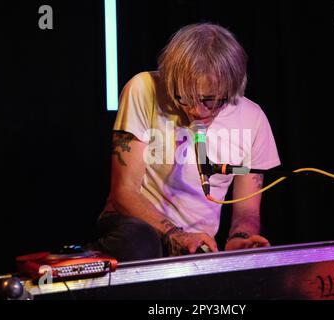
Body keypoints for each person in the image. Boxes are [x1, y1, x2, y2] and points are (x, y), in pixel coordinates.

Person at [93, 23, 281, 262]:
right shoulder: (143, 88)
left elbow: (246, 210)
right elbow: (124, 192)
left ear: (232, 88)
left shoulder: (253, 119)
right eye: (184, 97)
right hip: (134, 228)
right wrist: (176, 234)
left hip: (196, 244)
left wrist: (239, 238)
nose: (195, 110)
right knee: (141, 242)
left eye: (209, 100)